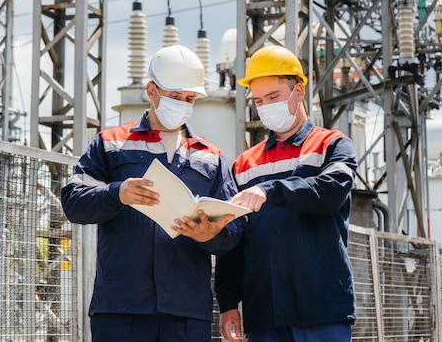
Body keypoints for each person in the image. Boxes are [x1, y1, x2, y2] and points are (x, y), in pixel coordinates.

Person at [61, 44, 245, 342]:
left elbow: (234, 230)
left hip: (186, 312)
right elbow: (73, 202)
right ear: (151, 90)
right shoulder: (110, 144)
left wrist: (210, 233)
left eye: (189, 98)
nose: (183, 104)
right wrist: (116, 194)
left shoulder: (211, 157)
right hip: (122, 308)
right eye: (175, 97)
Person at [215, 45, 358, 342]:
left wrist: (270, 190)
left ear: (299, 90)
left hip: (322, 311)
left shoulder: (331, 145)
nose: (265, 106)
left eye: (273, 97)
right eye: (258, 100)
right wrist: (228, 302)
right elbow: (234, 242)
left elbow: (329, 192)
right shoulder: (243, 165)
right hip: (264, 316)